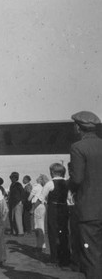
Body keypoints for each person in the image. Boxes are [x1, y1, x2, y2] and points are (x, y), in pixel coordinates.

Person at [68, 111, 102, 278]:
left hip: (89, 212)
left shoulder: (78, 147)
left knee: (91, 258)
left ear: (77, 127)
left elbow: (77, 179)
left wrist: (67, 184)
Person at [37, 163, 70, 267]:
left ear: (52, 172)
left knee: (53, 233)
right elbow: (70, 198)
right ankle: (65, 258)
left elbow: (41, 198)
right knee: (64, 233)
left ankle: (54, 258)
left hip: (53, 209)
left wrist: (33, 209)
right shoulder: (67, 182)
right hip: (64, 208)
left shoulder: (50, 183)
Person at [29, 174, 49, 255]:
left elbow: (29, 198)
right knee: (41, 226)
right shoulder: (44, 187)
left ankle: (40, 246)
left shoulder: (36, 186)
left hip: (36, 206)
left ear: (40, 180)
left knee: (38, 227)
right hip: (42, 206)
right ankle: (41, 245)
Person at [66, 162, 80, 272]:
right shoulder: (68, 182)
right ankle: (76, 261)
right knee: (74, 236)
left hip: (81, 210)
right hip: (73, 211)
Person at [8, 172, 24, 236]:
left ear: (16, 178)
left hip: (18, 202)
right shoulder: (12, 185)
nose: (12, 179)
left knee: (18, 218)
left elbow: (22, 193)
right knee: (12, 218)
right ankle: (14, 231)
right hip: (12, 203)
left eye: (13, 177)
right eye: (11, 177)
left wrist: (21, 201)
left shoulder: (18, 185)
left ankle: (20, 232)